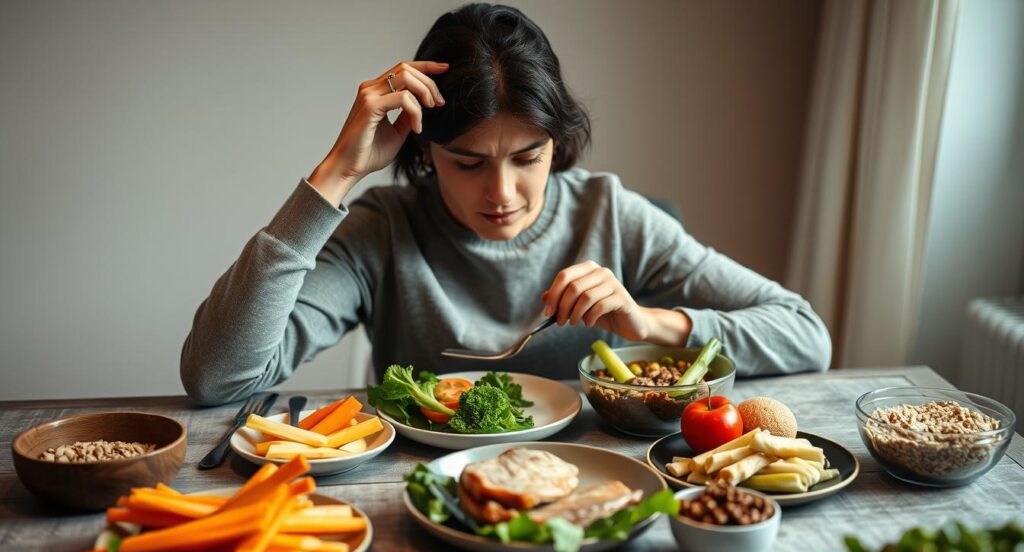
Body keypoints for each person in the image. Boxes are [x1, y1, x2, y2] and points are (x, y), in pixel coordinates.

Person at [181, 3, 831, 406]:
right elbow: (218, 379)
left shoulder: (609, 213)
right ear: (424, 152)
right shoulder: (384, 232)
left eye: (528, 158)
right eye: (468, 162)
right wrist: (334, 175)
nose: (501, 195)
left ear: (558, 143)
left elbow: (806, 333)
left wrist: (650, 324)